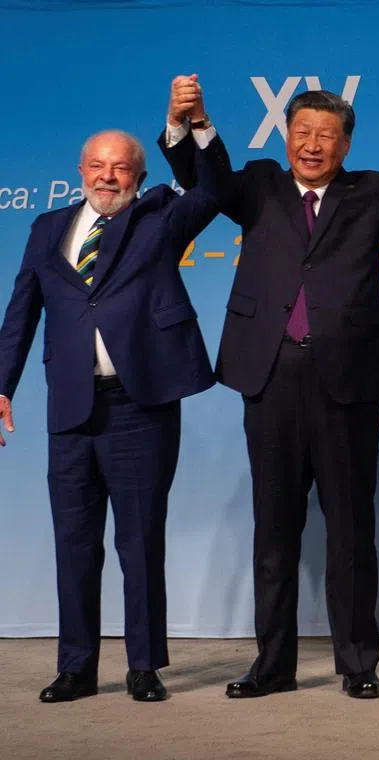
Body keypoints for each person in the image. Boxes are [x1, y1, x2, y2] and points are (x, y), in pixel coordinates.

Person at [158, 76, 379, 699]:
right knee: (274, 530)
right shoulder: (258, 185)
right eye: (303, 132)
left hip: (347, 379)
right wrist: (192, 122)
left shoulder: (370, 192)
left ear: (346, 146)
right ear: (287, 136)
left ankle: (357, 663)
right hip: (270, 373)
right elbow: (204, 179)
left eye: (326, 135)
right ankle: (273, 665)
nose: (312, 144)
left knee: (350, 530)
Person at [0, 77, 226, 703]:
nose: (108, 177)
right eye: (97, 166)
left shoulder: (160, 217)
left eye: (121, 168)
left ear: (139, 174)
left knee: (138, 539)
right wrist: (3, 384)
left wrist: (195, 123)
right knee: (73, 543)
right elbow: (21, 311)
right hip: (70, 405)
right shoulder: (46, 229)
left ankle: (143, 667)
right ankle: (75, 667)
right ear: (80, 170)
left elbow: (213, 189)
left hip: (139, 405)